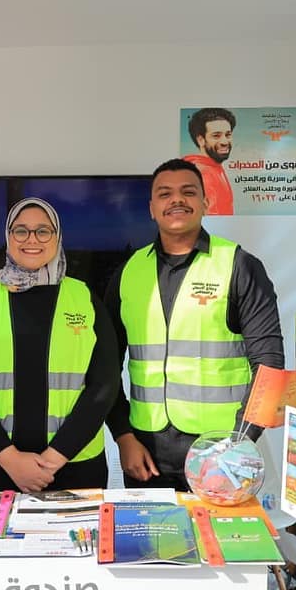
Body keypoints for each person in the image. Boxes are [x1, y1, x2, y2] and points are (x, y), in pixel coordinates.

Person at [105, 158, 284, 491]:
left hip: (221, 455)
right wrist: (123, 437)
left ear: (205, 202)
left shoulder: (239, 266)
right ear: (152, 208)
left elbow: (269, 366)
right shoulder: (128, 272)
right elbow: (105, 368)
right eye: (165, 194)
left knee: (222, 531)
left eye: (188, 192)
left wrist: (240, 444)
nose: (177, 199)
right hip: (146, 457)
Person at [0, 197, 119, 493]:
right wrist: (11, 460)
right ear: (8, 237)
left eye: (43, 230)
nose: (32, 239)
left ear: (57, 237)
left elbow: (104, 387)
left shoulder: (85, 299)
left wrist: (53, 459)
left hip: (74, 468)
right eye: (21, 230)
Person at [183, 108, 236, 216]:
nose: (225, 142)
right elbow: (212, 220)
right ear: (201, 140)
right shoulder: (204, 173)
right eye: (216, 136)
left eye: (228, 135)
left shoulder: (211, 167)